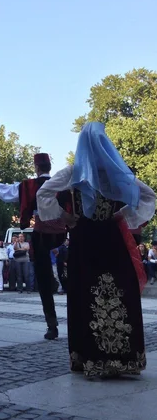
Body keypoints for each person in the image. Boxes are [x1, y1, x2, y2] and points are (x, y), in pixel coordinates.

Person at [37, 122, 156, 378]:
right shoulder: (117, 173)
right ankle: (124, 358)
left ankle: (89, 357)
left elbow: (44, 193)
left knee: (85, 294)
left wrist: (65, 217)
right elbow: (148, 196)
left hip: (84, 239)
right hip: (112, 239)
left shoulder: (74, 172)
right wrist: (123, 215)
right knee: (120, 291)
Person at [0, 152, 71, 340]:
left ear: (37, 168)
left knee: (43, 277)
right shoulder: (63, 184)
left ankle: (52, 324)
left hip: (42, 234)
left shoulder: (29, 186)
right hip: (62, 234)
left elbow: (5, 190)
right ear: (49, 167)